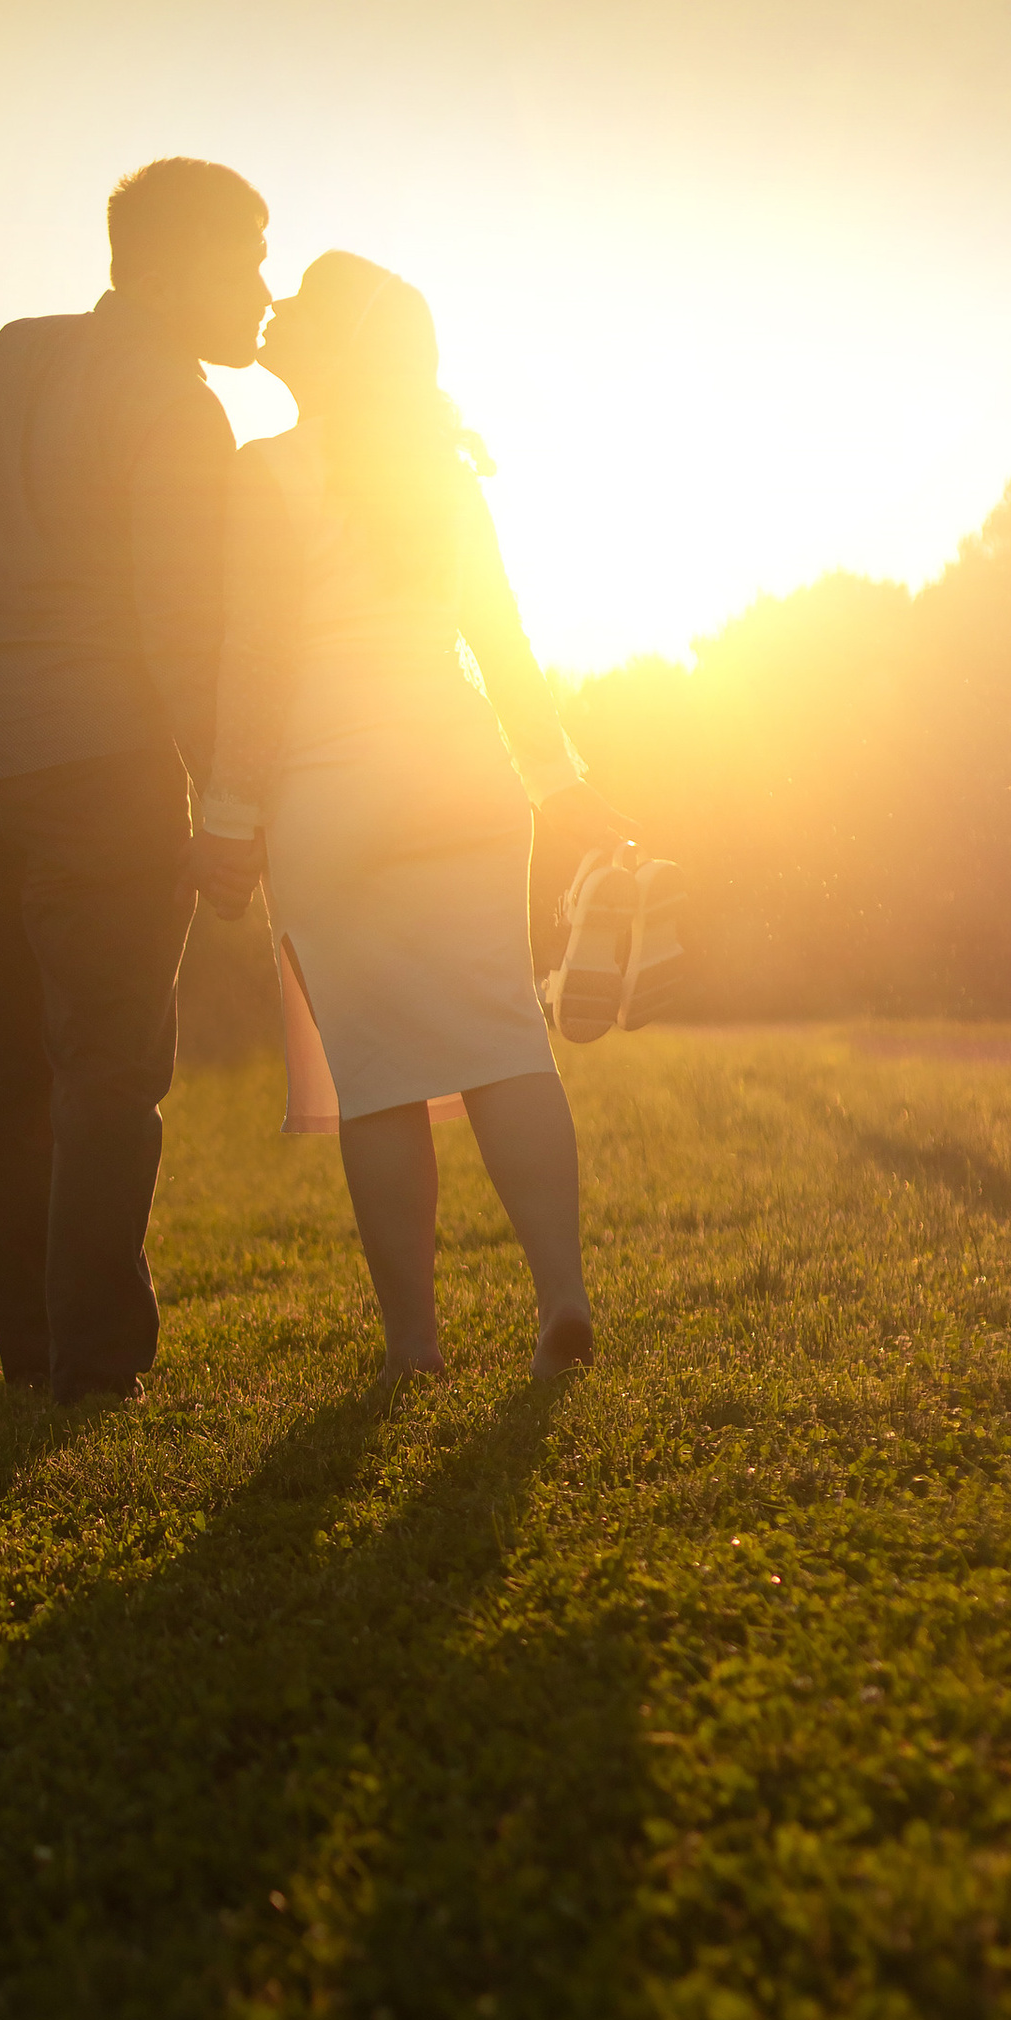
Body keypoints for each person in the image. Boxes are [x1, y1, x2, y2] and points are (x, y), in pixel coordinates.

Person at [0, 158, 270, 1400]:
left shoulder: (6, 357)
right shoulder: (180, 410)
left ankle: (32, 1356)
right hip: (100, 767)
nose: (260, 287)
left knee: (12, 1075)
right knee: (110, 1070)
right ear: (178, 263)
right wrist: (227, 799)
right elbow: (180, 628)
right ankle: (93, 1364)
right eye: (245, 259)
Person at [191, 251, 628, 1384]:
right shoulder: (445, 478)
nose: (274, 311)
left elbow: (254, 662)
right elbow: (503, 643)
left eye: (299, 307)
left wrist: (228, 817)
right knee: (501, 1038)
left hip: (331, 793)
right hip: (464, 775)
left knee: (378, 1078)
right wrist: (558, 781)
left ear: (331, 345)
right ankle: (561, 1298)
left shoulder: (267, 473)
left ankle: (413, 1349)